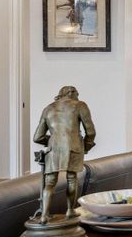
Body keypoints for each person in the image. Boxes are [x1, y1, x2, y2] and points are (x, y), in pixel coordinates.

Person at [32, 86, 96, 224]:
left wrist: (50, 142)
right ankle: (70, 210)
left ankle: (44, 215)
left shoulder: (48, 108)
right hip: (73, 147)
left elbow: (37, 137)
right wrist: (86, 145)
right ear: (70, 93)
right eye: (77, 94)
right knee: (72, 178)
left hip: (53, 149)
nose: (78, 97)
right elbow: (90, 131)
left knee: (49, 183)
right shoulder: (80, 105)